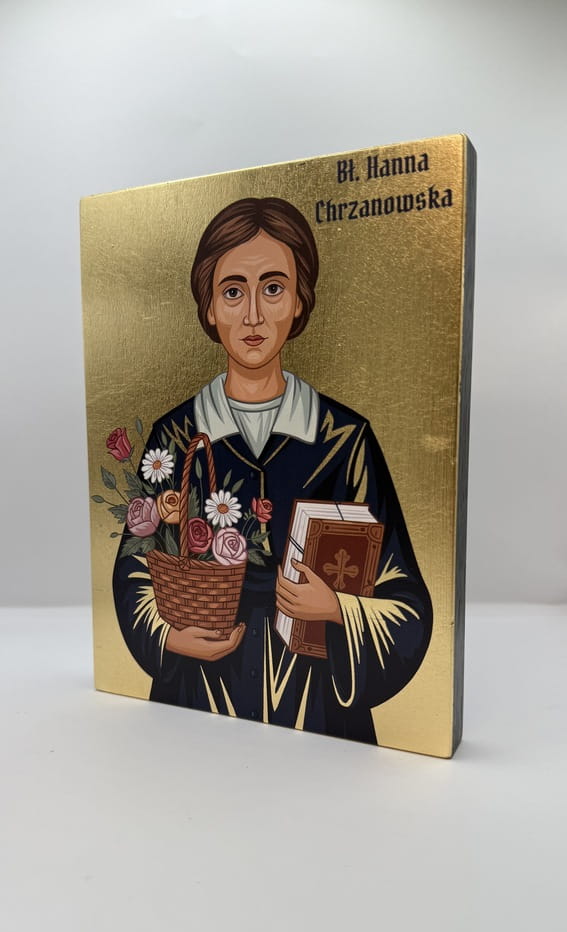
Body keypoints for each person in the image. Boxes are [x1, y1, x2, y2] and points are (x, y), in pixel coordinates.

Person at [113, 197, 433, 745]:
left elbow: (406, 603)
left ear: (300, 300)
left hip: (320, 712)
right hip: (198, 700)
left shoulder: (344, 440)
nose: (253, 316)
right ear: (208, 307)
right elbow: (134, 570)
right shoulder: (177, 436)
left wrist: (337, 610)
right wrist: (169, 637)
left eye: (274, 288)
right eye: (233, 291)